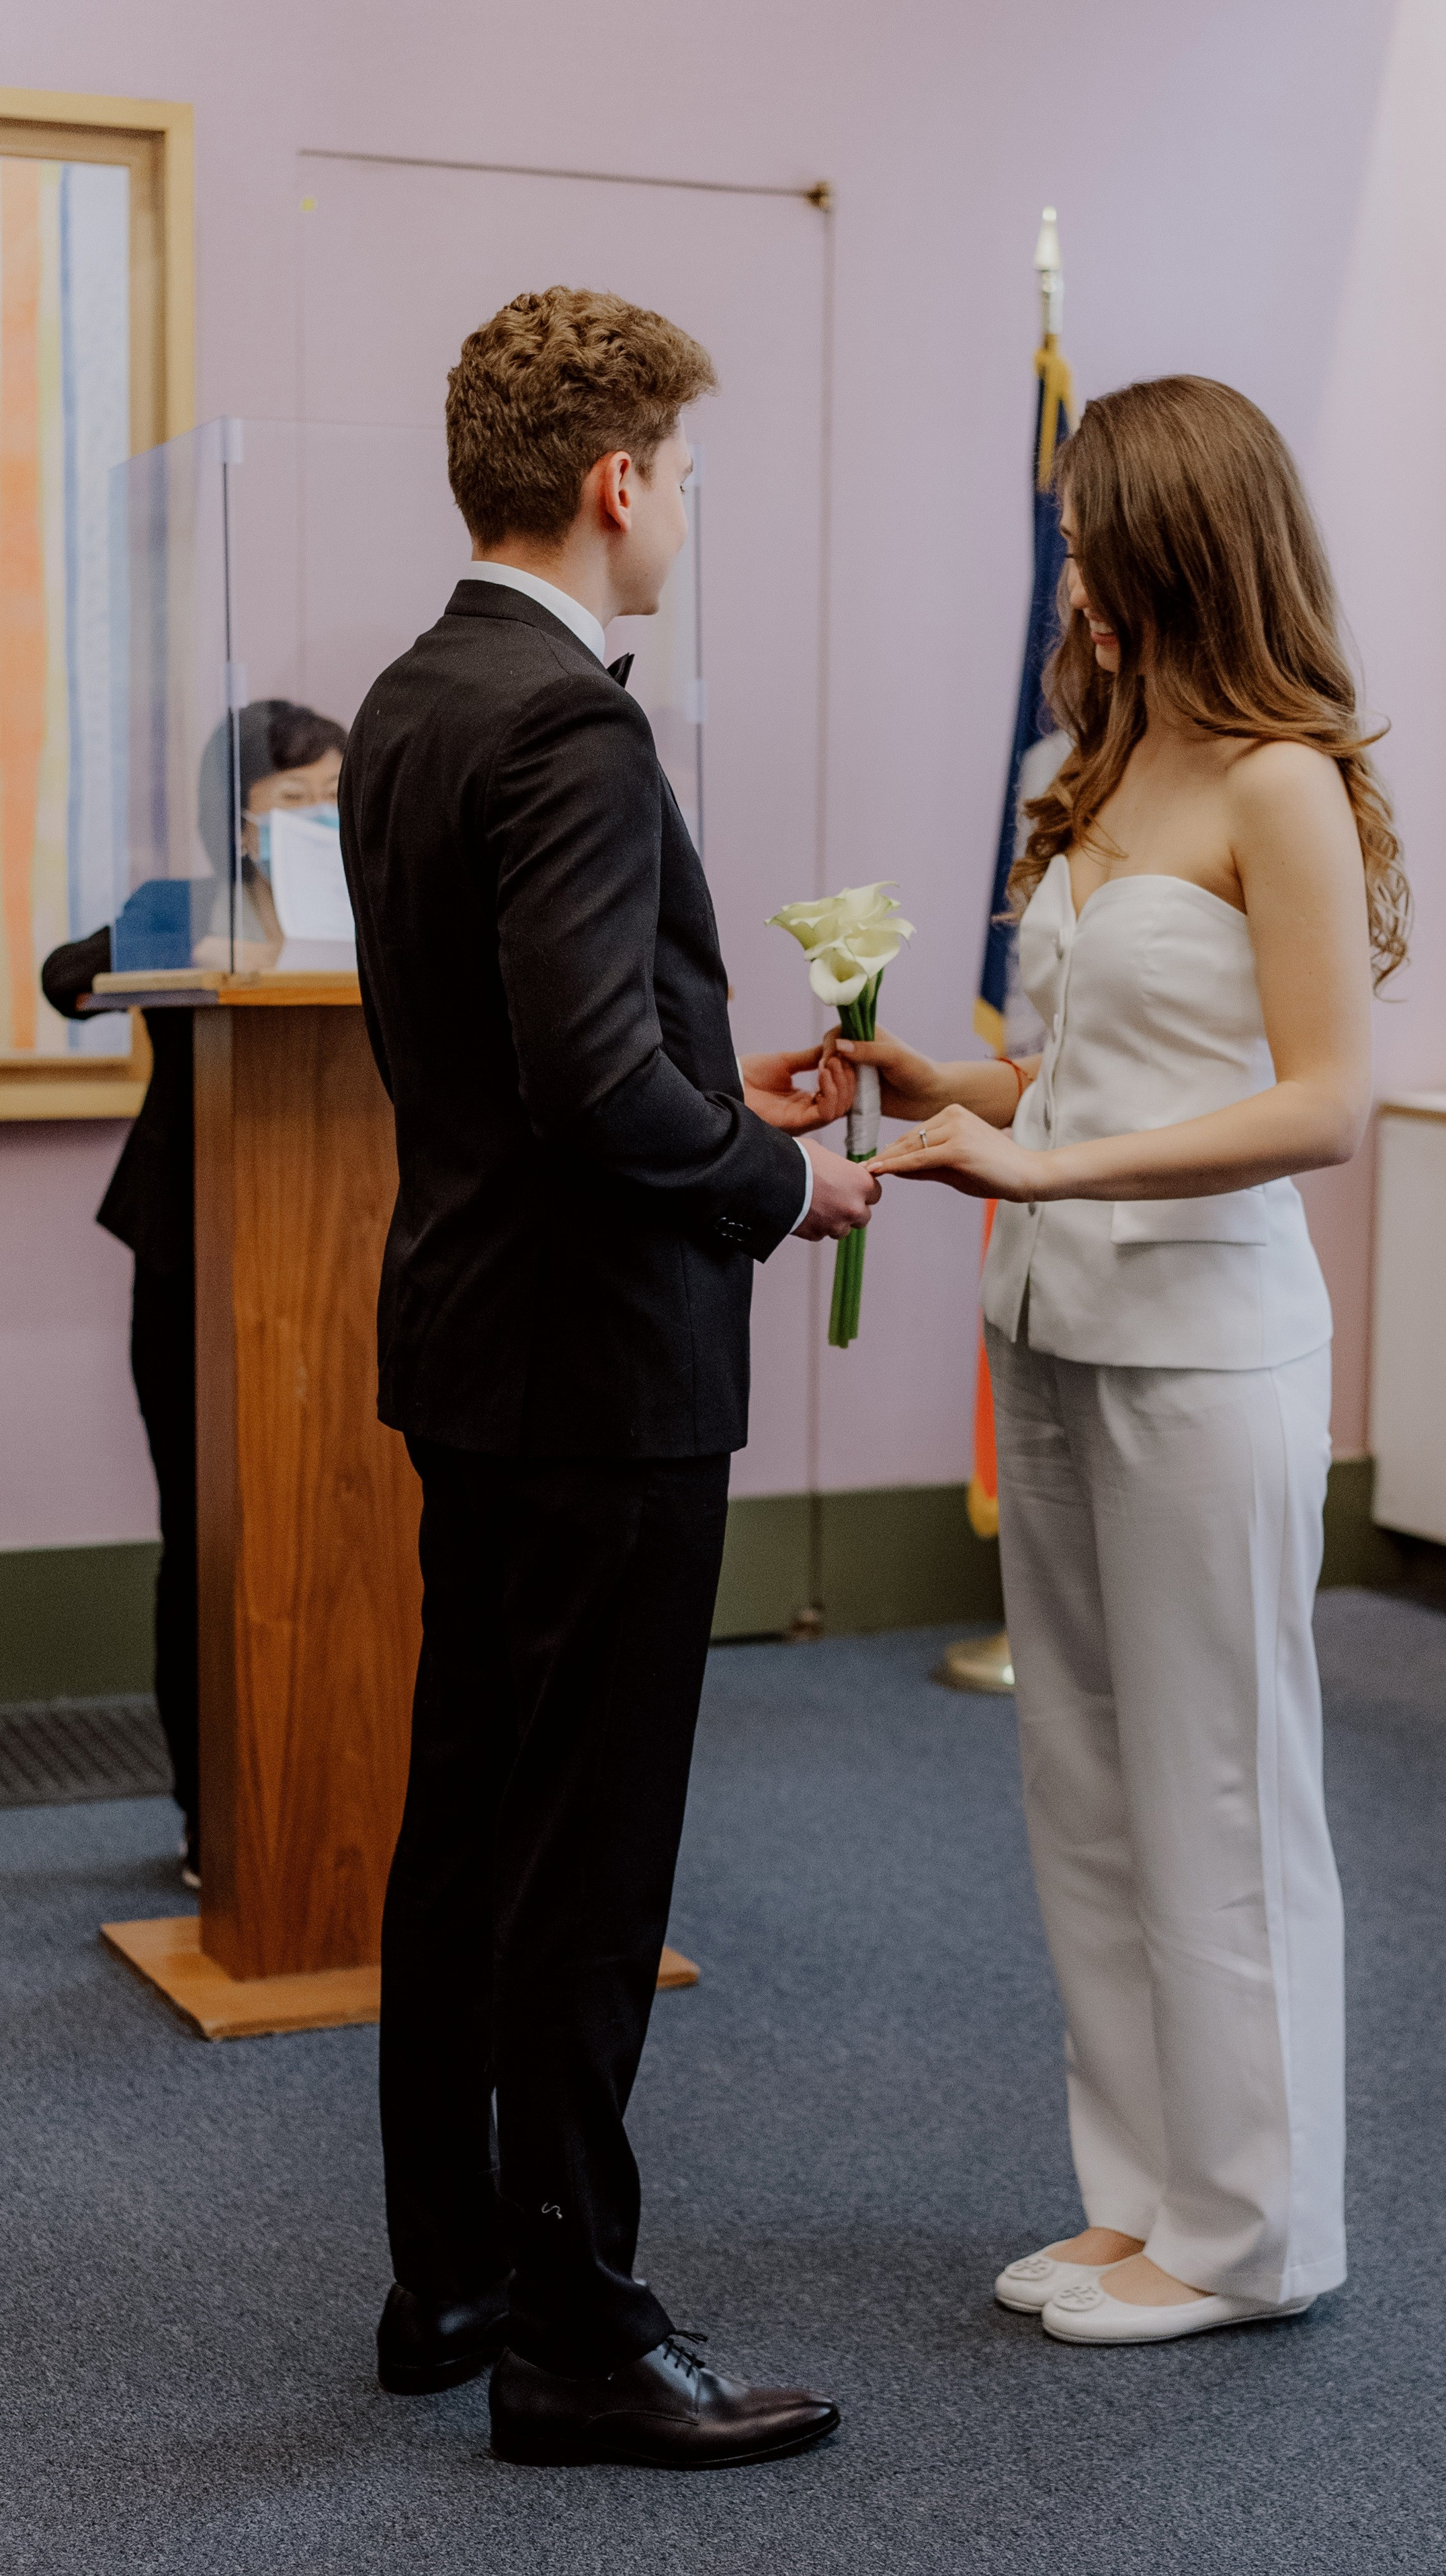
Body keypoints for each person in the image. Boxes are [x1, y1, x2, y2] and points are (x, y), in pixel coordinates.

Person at [340, 286, 870, 2468]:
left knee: (468, 1819)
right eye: (689, 474)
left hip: (478, 1344)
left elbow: (524, 1048)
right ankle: (573, 2325)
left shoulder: (408, 694)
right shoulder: (573, 725)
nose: (690, 513)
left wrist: (685, 1080)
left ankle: (448, 2266)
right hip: (600, 1378)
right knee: (586, 1861)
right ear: (617, 481)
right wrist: (781, 1175)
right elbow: (582, 1087)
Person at [851, 376, 1408, 2345]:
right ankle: (1145, 2197)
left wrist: (1050, 1153)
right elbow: (1079, 1071)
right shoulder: (1092, 775)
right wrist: (961, 1083)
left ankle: (1256, 2235)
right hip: (1058, 1332)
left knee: (1225, 1790)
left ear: (1180, 532)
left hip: (1208, 1351)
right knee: (1084, 1782)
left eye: (1088, 528)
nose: (1068, 561)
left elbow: (1329, 1104)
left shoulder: (1285, 781)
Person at [41, 700, 349, 1888]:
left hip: (332, 1259)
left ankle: (334, 1790)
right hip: (191, 1255)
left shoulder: (378, 910)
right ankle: (207, 1812)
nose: (320, 818)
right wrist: (194, 955)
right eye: (294, 800)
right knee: (205, 1537)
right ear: (241, 818)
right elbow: (67, 977)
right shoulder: (193, 908)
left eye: (334, 795)